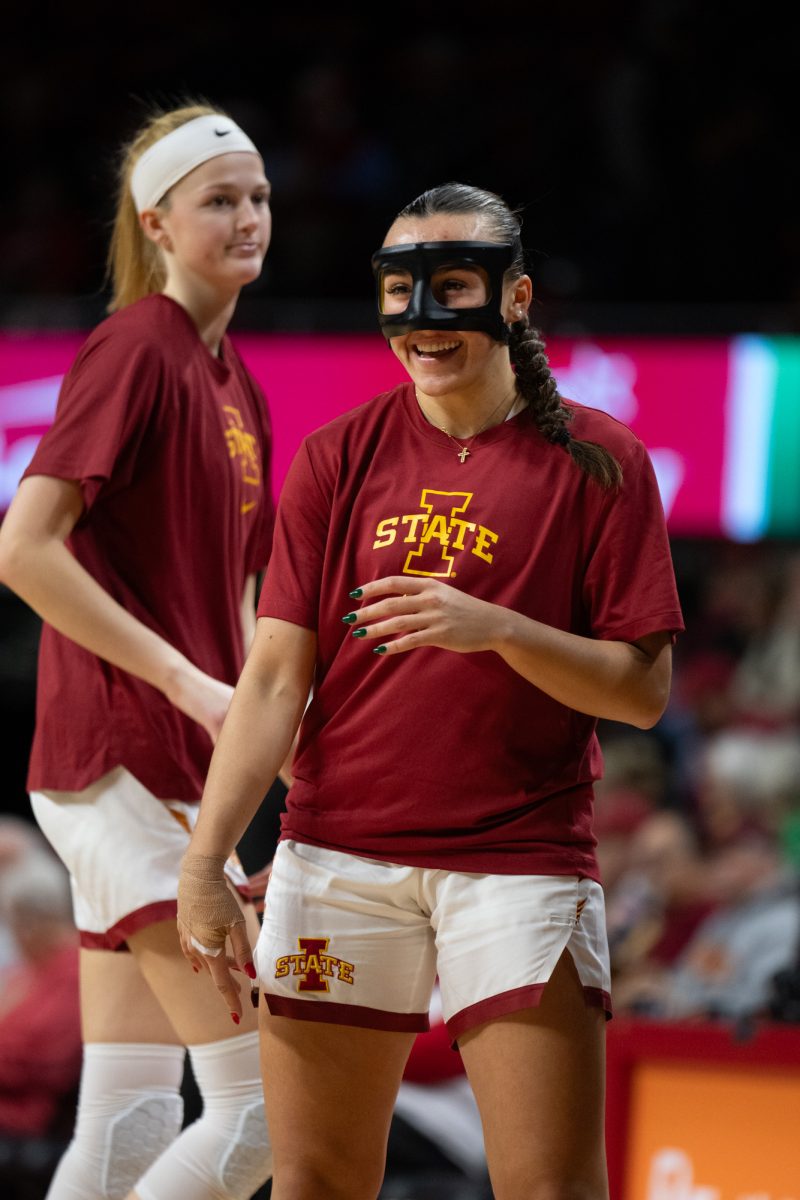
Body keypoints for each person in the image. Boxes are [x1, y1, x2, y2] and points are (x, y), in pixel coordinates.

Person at [176, 181, 684, 1200]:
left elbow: (640, 694)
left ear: (512, 297)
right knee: (315, 1179)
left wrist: (493, 628)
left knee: (548, 1185)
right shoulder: (335, 456)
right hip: (336, 867)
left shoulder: (599, 461)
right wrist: (204, 860)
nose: (419, 318)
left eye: (447, 286)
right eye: (398, 290)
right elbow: (273, 680)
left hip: (517, 865)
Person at [0, 100, 277, 1200]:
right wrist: (184, 682)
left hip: (181, 765)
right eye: (218, 200)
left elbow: (242, 598)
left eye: (257, 196)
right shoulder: (134, 348)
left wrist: (277, 725)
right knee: (263, 1113)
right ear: (155, 224)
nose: (248, 217)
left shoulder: (237, 378)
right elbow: (24, 547)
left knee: (129, 1117)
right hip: (121, 756)